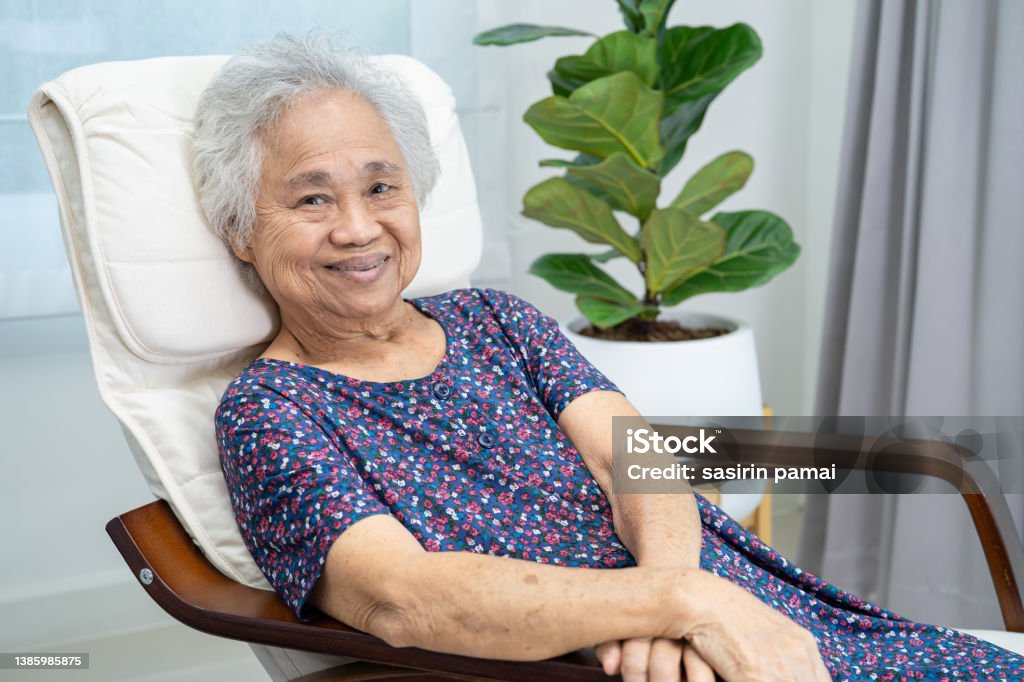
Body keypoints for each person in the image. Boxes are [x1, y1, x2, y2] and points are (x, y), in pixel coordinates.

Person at [195, 33, 1023, 681]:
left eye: (382, 186)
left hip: (722, 611)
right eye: (311, 197)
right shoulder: (272, 412)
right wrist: (676, 604)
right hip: (593, 663)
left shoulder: (497, 320)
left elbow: (639, 459)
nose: (358, 226)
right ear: (241, 229)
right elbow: (404, 601)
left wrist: (680, 602)